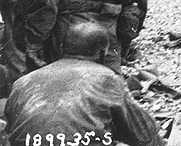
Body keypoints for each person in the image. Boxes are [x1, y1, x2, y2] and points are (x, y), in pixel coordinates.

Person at [5, 22, 162, 146]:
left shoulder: (23, 82)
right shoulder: (107, 78)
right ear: (102, 53)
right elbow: (144, 133)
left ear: (62, 47)